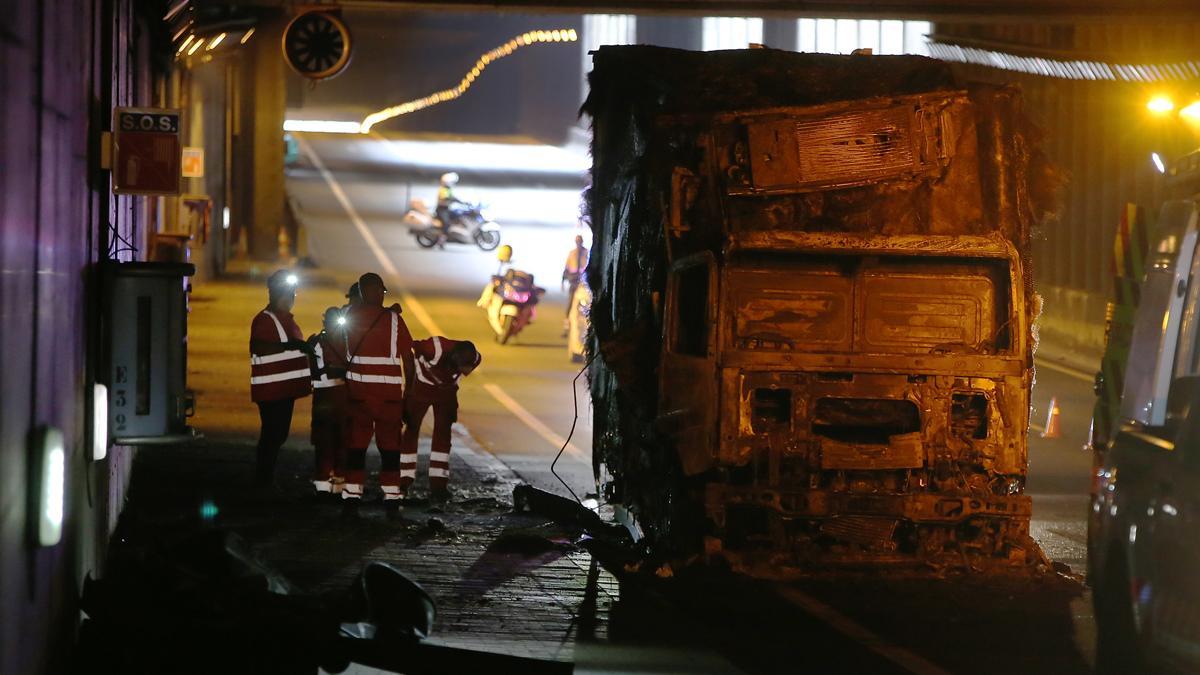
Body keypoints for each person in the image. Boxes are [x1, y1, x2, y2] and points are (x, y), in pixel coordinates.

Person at [341, 272, 415, 508]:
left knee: (356, 446)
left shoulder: (350, 316)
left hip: (359, 396)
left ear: (360, 293)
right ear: (380, 292)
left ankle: (352, 496)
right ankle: (392, 497)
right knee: (390, 448)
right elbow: (408, 360)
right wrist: (409, 394)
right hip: (389, 399)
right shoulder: (394, 320)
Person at [249, 270, 312, 487]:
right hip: (272, 390)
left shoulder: (287, 321)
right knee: (272, 435)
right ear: (277, 295)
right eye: (289, 294)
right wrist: (291, 346)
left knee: (277, 435)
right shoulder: (265, 320)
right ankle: (263, 480)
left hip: (284, 389)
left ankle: (265, 478)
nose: (292, 298)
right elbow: (258, 347)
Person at [400, 338, 481, 500]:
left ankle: (439, 486)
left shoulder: (475, 359)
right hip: (421, 389)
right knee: (411, 431)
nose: (464, 371)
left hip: (446, 394)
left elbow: (459, 374)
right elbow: (407, 351)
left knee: (443, 436)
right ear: (454, 357)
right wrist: (408, 391)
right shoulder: (434, 348)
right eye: (461, 367)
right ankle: (403, 480)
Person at [308, 307, 349, 496]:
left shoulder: (315, 342)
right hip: (339, 395)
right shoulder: (347, 343)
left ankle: (323, 484)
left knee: (325, 441)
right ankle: (335, 484)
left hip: (323, 397)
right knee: (339, 439)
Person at [562, 235, 588, 334]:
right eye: (577, 241)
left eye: (580, 241)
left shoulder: (586, 253)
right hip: (573, 281)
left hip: (583, 281)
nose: (578, 243)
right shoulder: (572, 253)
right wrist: (563, 280)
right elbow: (567, 267)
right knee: (570, 303)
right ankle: (566, 327)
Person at [434, 172, 465, 248]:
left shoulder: (448, 189)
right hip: (441, 210)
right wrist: (453, 200)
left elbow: (453, 197)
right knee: (446, 223)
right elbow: (446, 198)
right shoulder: (443, 189)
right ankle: (441, 239)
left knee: (458, 216)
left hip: (446, 209)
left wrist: (461, 202)